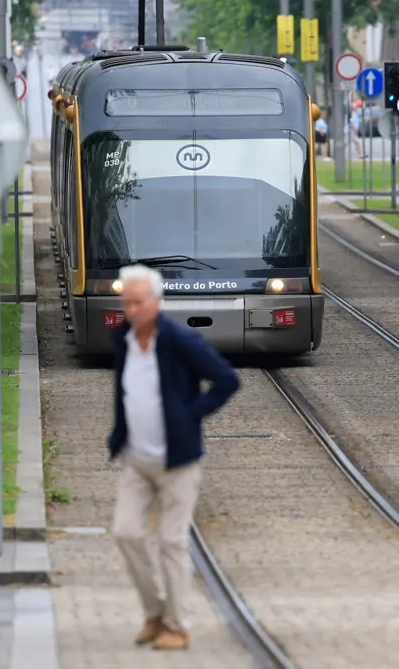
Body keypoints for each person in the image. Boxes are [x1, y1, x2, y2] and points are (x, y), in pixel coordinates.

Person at [108, 264, 239, 652]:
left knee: (171, 541)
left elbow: (227, 380)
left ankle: (176, 626)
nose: (131, 310)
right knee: (126, 532)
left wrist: (190, 414)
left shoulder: (180, 340)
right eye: (126, 303)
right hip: (137, 459)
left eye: (138, 303)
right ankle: (154, 613)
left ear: (156, 301)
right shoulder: (123, 339)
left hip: (178, 461)